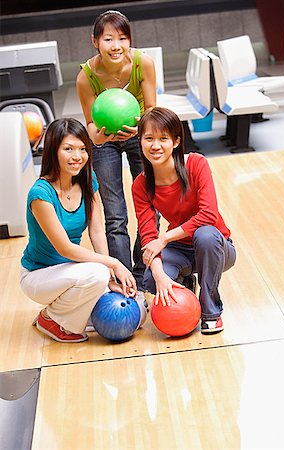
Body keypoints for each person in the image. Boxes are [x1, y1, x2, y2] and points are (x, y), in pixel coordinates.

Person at [20, 118, 137, 343]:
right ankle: (51, 319)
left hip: (70, 272)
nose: (77, 156)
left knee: (130, 312)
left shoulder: (87, 180)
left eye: (83, 149)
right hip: (38, 276)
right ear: (53, 151)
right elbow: (65, 249)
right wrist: (112, 264)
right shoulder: (40, 194)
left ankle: (63, 315)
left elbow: (96, 232)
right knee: (97, 273)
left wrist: (111, 279)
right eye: (69, 149)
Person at [132, 107, 236, 334]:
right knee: (151, 280)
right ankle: (185, 282)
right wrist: (160, 276)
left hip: (216, 247)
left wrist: (165, 238)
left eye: (163, 139)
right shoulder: (141, 184)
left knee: (205, 234)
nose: (155, 146)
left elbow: (208, 215)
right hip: (180, 249)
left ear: (176, 141)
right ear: (140, 141)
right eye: (148, 138)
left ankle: (211, 311)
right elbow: (148, 235)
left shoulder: (196, 164)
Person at [76, 10, 156, 298]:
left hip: (139, 134)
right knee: (115, 214)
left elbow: (151, 114)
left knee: (151, 201)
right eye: (108, 39)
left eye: (122, 38)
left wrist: (138, 132)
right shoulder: (86, 78)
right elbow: (90, 126)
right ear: (95, 41)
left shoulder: (142, 64)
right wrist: (102, 135)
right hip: (105, 140)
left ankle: (142, 269)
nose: (116, 45)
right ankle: (123, 278)